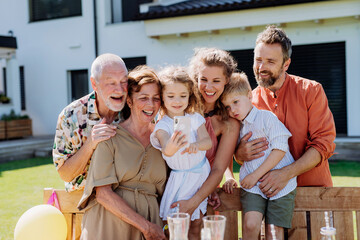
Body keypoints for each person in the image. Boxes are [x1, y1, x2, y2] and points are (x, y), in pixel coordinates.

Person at [235, 25, 336, 197]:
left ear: (286, 64)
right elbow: (239, 151)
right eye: (258, 60)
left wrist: (286, 174)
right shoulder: (248, 101)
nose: (261, 67)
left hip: (314, 193)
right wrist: (239, 153)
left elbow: (323, 144)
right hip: (267, 197)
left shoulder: (311, 91)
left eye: (270, 61)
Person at [77, 65, 167, 240]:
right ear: (130, 101)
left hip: (151, 228)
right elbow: (103, 194)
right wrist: (146, 227)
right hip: (109, 227)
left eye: (156, 98)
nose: (151, 104)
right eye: (143, 98)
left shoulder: (163, 140)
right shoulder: (109, 136)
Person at [168, 48, 240, 238]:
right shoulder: (180, 108)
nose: (209, 86)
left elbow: (218, 169)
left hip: (201, 195)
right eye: (204, 79)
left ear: (226, 81)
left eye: (216, 81)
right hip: (171, 188)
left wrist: (194, 201)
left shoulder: (229, 124)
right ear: (195, 78)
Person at [221, 72, 297, 239]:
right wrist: (229, 177)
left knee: (274, 232)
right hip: (252, 185)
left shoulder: (266, 117)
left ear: (249, 95)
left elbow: (280, 148)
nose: (232, 110)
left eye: (235, 102)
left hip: (280, 184)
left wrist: (255, 175)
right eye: (227, 106)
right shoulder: (234, 127)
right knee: (250, 224)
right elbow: (226, 155)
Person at [150, 66, 212, 239]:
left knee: (197, 222)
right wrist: (173, 143)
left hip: (199, 175)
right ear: (162, 97)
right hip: (180, 178)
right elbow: (167, 151)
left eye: (183, 96)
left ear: (189, 96)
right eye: (170, 96)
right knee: (176, 223)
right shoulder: (163, 125)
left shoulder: (195, 119)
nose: (177, 101)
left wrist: (197, 145)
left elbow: (208, 142)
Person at [53, 53, 128, 192]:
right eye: (111, 82)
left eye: (124, 81)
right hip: (83, 205)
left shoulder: (135, 110)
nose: (120, 89)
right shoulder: (70, 116)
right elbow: (65, 174)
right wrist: (90, 144)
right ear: (94, 84)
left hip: (128, 200)